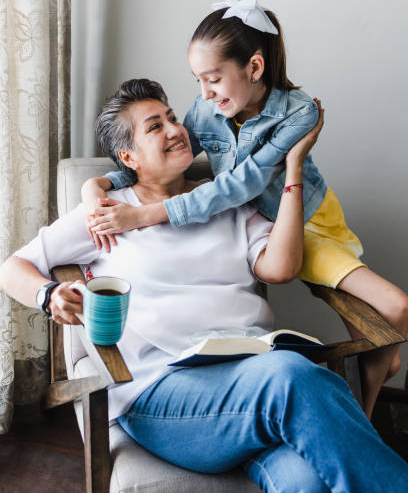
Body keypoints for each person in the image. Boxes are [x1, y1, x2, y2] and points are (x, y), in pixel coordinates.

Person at [1, 78, 407, 493]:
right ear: (128, 156)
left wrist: (294, 165)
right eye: (154, 127)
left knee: (306, 480)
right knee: (295, 377)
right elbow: (13, 267)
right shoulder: (108, 214)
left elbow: (282, 267)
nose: (175, 130)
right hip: (163, 392)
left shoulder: (226, 202)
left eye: (172, 118)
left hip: (251, 379)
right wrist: (47, 294)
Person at [82, 0, 408, 419]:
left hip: (311, 221)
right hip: (276, 229)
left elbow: (242, 183)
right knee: (391, 329)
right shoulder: (205, 109)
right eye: (198, 79)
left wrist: (146, 214)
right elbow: (166, 161)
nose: (203, 92)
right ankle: (367, 405)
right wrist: (101, 182)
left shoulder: (300, 112)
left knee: (390, 326)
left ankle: (362, 415)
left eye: (213, 78)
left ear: (254, 66)